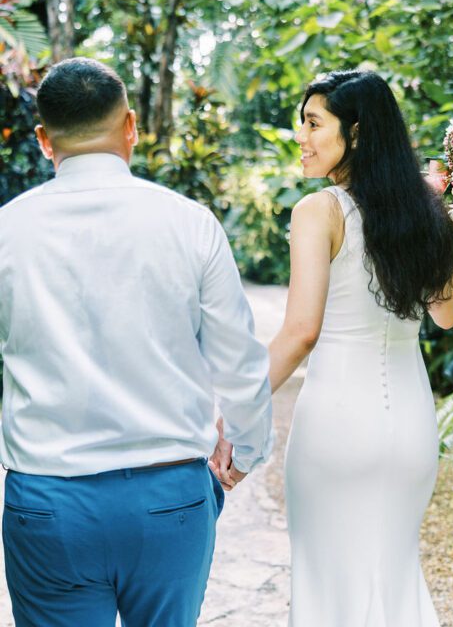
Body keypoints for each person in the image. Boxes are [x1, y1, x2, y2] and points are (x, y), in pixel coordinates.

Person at [0, 57, 272, 627]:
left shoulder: (8, 231)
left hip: (49, 503)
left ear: (45, 139)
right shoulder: (190, 223)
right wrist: (243, 451)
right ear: (130, 126)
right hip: (168, 497)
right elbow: (240, 362)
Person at [214, 69, 453, 625]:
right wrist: (451, 216)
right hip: (411, 424)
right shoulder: (426, 214)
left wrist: (234, 410)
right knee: (394, 577)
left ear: (356, 132)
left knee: (329, 587)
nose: (301, 136)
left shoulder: (318, 211)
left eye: (312, 123)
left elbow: (301, 332)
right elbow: (446, 315)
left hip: (337, 424)